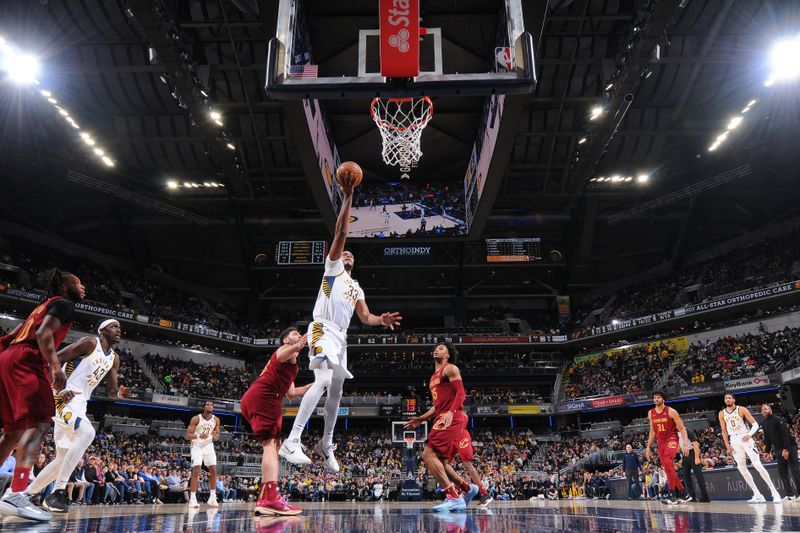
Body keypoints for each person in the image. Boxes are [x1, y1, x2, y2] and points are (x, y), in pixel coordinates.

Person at [279, 169, 402, 470]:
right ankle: (292, 441)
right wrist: (347, 197)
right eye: (343, 253)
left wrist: (381, 319)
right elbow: (341, 233)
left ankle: (326, 443)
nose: (346, 254)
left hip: (341, 337)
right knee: (321, 380)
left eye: (350, 255)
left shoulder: (356, 286)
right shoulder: (332, 270)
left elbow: (366, 316)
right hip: (322, 327)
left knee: (337, 391)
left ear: (354, 262)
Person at [0, 268, 84, 522]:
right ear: (65, 285)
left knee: (13, 432)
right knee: (39, 424)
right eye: (78, 282)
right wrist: (56, 367)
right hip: (25, 360)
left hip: (8, 358)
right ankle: (16, 493)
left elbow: (18, 336)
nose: (83, 287)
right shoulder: (64, 304)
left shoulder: (44, 305)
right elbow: (43, 335)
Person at [23, 319, 129, 512]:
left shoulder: (114, 358)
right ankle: (58, 492)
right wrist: (58, 388)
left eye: (120, 328)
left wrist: (122, 394)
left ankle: (26, 494)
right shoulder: (89, 343)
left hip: (80, 403)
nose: (118, 330)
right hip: (62, 397)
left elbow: (111, 395)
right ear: (102, 331)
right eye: (114, 327)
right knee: (87, 432)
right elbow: (52, 361)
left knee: (61, 460)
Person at [240, 326, 311, 516]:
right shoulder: (281, 352)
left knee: (273, 444)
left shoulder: (291, 366)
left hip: (258, 397)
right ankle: (270, 498)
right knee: (271, 445)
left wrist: (318, 385)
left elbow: (292, 393)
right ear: (286, 341)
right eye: (294, 334)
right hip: (264, 396)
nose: (298, 335)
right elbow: (282, 354)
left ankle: (266, 498)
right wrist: (299, 344)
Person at [404, 341, 469, 512]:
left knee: (427, 454)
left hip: (451, 417)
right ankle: (468, 490)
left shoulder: (450, 369)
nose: (436, 350)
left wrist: (451, 412)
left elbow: (461, 394)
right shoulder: (434, 377)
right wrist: (421, 418)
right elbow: (437, 405)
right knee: (440, 461)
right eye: (436, 348)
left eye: (441, 349)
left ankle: (454, 497)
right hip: (442, 416)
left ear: (447, 355)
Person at [719, 393, 781, 503]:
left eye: (729, 398)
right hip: (733, 440)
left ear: (734, 399)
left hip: (745, 437)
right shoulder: (721, 413)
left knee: (757, 464)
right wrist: (727, 445)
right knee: (741, 467)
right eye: (726, 398)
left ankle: (774, 492)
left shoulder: (741, 409)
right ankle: (757, 494)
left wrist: (749, 434)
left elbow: (755, 424)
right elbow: (724, 431)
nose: (727, 400)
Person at [644, 390, 689, 505]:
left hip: (672, 439)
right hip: (660, 442)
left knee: (668, 462)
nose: (656, 399)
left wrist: (684, 444)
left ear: (663, 399)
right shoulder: (651, 413)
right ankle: (684, 494)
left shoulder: (671, 411)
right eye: (654, 398)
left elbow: (682, 428)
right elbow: (652, 431)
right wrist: (648, 447)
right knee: (668, 468)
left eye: (658, 397)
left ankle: (672, 495)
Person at [443, 427, 493, 507]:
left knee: (467, 463)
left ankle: (485, 494)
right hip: (450, 436)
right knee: (443, 464)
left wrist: (420, 418)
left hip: (460, 434)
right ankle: (463, 489)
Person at [760, 403, 800, 501]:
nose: (764, 410)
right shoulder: (764, 423)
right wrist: (767, 451)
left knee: (794, 469)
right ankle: (790, 495)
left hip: (789, 446)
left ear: (770, 410)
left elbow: (785, 434)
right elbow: (768, 439)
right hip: (778, 449)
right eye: (762, 410)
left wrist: (786, 449)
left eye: (766, 409)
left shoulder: (778, 419)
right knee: (782, 471)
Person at [185, 401, 221, 507]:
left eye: (211, 405)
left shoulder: (216, 420)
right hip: (197, 446)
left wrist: (215, 435)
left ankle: (212, 498)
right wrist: (198, 436)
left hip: (208, 446)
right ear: (204, 407)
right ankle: (192, 499)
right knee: (196, 471)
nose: (209, 406)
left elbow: (217, 437)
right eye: (207, 405)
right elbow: (187, 436)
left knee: (214, 471)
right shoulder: (196, 418)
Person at [681, 428, 710, 503]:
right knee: (686, 476)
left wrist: (697, 457)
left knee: (698, 475)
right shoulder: (675, 433)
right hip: (684, 454)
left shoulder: (688, 431)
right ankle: (692, 497)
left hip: (693, 453)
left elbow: (696, 444)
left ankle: (705, 497)